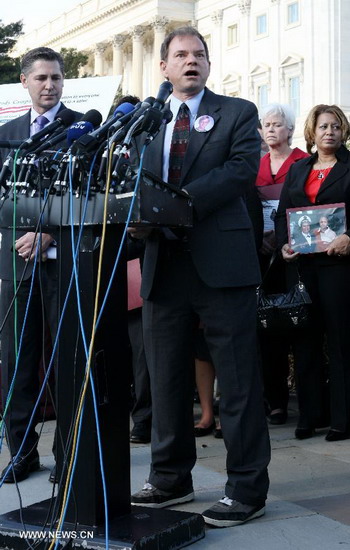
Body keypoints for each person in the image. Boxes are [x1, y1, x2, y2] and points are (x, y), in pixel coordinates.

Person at [128, 26, 270, 528]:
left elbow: (238, 171)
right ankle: (169, 479)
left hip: (221, 264)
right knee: (165, 380)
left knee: (237, 382)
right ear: (163, 67)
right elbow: (130, 184)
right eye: (181, 55)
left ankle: (246, 488)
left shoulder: (237, 112)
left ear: (209, 65)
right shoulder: (143, 125)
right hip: (163, 265)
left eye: (200, 55)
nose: (191, 61)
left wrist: (178, 204)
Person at [0, 47, 83, 483]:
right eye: (41, 78)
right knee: (17, 362)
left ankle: (68, 454)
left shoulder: (84, 129)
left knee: (66, 361)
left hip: (67, 265)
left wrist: (49, 232)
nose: (49, 85)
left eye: (56, 77)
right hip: (16, 267)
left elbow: (88, 196)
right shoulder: (7, 134)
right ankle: (22, 452)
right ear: (25, 81)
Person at [275, 104, 350, 441]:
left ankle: (342, 418)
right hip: (302, 266)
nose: (329, 132)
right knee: (304, 341)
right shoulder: (298, 169)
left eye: (335, 126)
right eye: (323, 127)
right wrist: (283, 246)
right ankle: (310, 415)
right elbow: (282, 215)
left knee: (340, 340)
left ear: (343, 131)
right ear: (312, 132)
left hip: (340, 267)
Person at [256, 103, 309, 425]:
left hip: (295, 254)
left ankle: (308, 402)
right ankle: (275, 402)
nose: (272, 129)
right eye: (267, 124)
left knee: (301, 327)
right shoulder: (254, 165)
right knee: (267, 330)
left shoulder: (303, 162)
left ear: (290, 128)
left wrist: (283, 236)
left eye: (278, 124)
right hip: (261, 256)